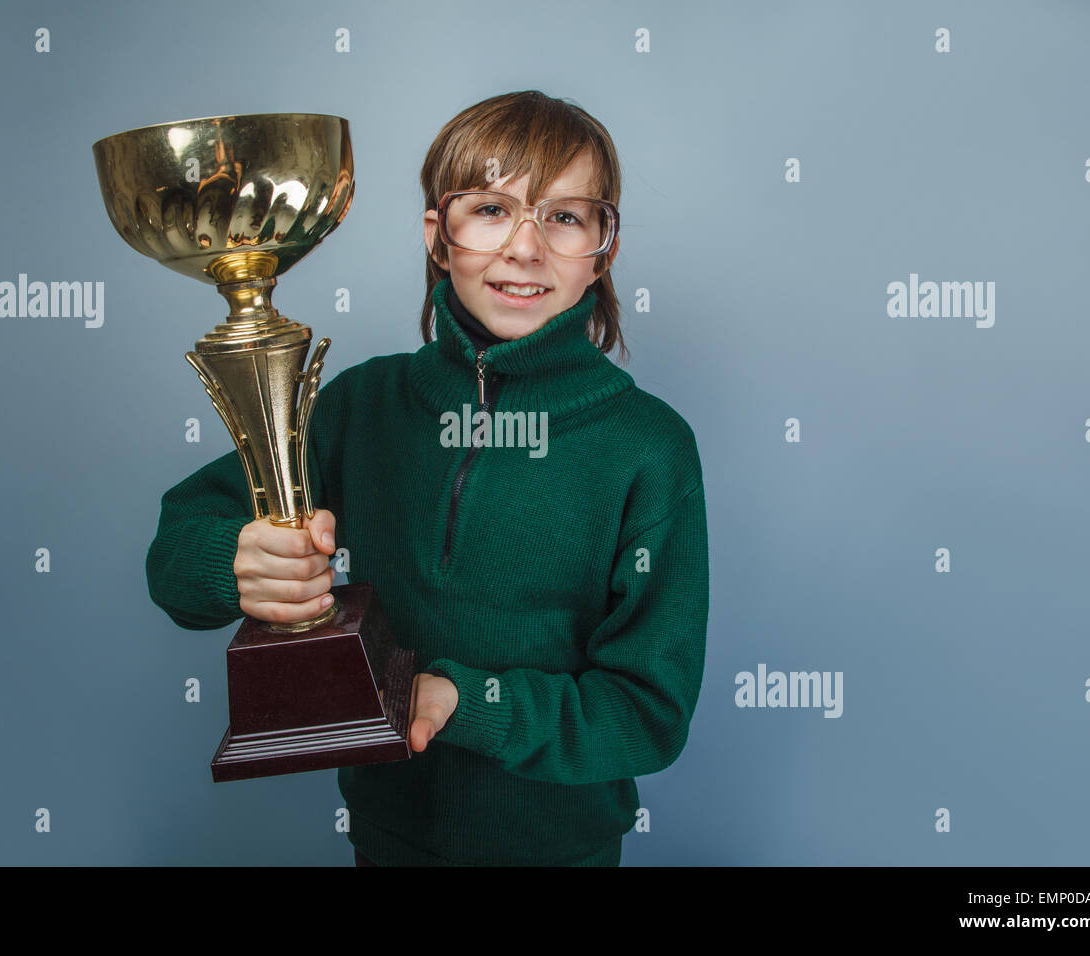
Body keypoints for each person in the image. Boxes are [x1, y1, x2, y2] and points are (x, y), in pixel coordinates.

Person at [145, 90, 710, 867]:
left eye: (566, 216)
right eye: (490, 209)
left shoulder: (650, 449)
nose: (525, 246)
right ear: (439, 239)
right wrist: (234, 564)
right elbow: (173, 562)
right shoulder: (360, 405)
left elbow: (648, 715)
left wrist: (465, 701)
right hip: (385, 843)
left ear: (603, 250)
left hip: (561, 855)